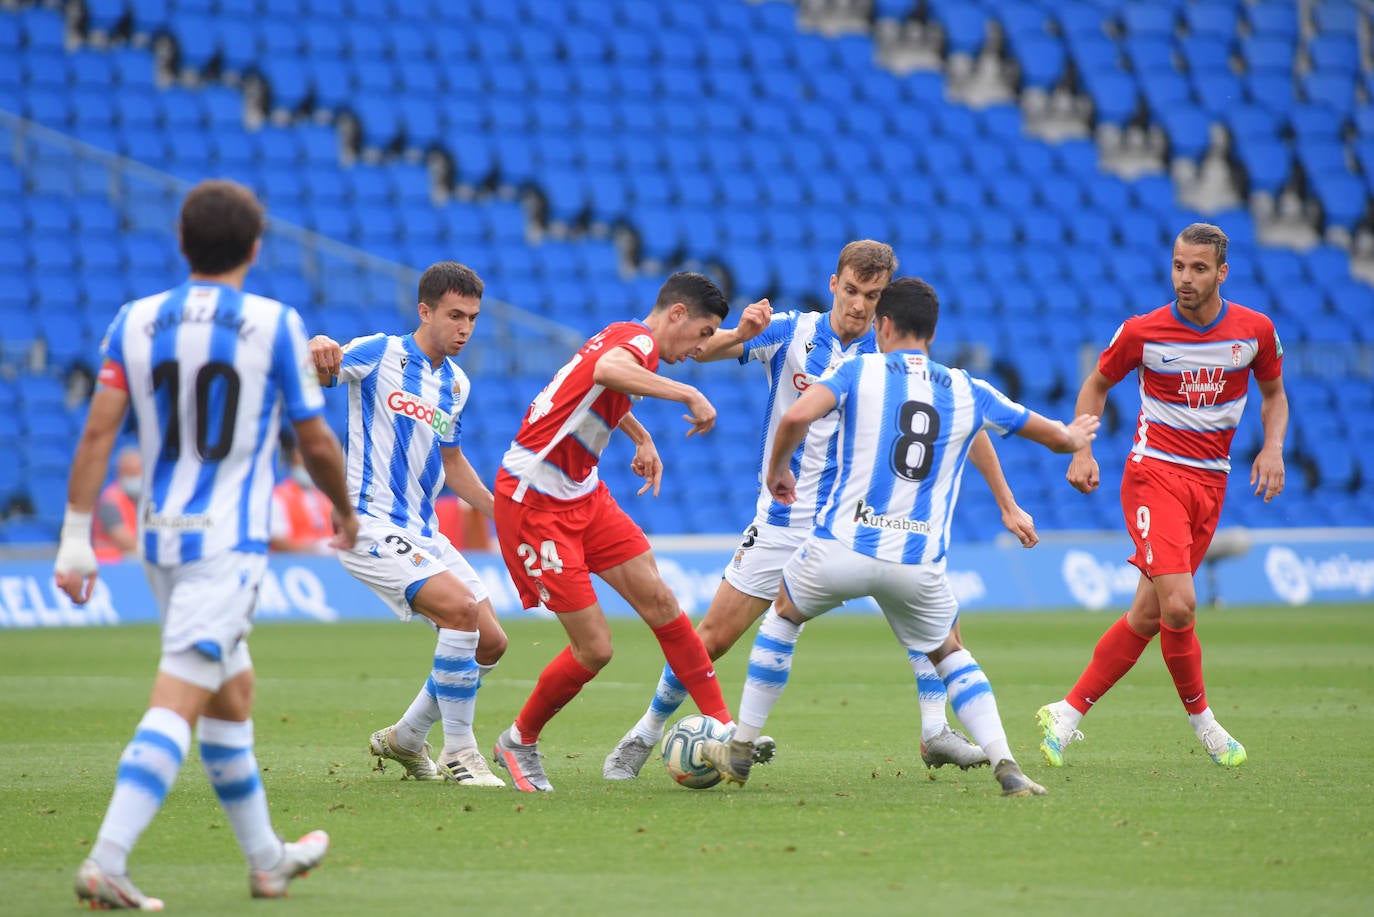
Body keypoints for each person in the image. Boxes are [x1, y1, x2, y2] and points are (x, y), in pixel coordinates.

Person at [603, 241, 1039, 780]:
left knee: (934, 620)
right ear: (834, 284)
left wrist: (1007, 504)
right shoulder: (792, 332)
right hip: (784, 519)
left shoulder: (891, 359)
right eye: (851, 290)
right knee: (712, 636)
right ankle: (644, 733)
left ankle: (935, 730)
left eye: (872, 297)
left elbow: (965, 421)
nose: (859, 305)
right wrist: (741, 333)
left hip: (856, 521)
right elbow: (699, 349)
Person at [54, 179, 359, 909]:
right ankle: (107, 858)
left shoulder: (134, 320)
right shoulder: (274, 323)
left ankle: (267, 861)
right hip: (226, 542)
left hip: (160, 538)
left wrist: (74, 536)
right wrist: (344, 510)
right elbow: (315, 440)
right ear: (255, 247)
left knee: (233, 691)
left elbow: (98, 432)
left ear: (181, 242)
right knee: (180, 696)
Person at [699, 277, 1100, 797]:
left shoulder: (858, 370)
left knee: (783, 616)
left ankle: (741, 747)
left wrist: (778, 469)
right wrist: (1076, 437)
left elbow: (796, 414)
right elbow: (1055, 437)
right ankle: (1008, 767)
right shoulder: (966, 387)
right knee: (951, 651)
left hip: (844, 544)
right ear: (932, 332)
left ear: (883, 325)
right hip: (916, 559)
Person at [1035, 223, 1288, 769]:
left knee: (1148, 615)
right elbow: (1097, 384)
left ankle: (1065, 712)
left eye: (1198, 268)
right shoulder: (1143, 331)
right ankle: (1206, 725)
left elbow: (1274, 394)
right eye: (1178, 266)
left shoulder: (1255, 331)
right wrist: (1081, 449)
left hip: (1211, 484)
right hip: (1155, 476)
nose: (1185, 278)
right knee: (1180, 604)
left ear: (1222, 272)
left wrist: (1272, 447)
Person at [490, 271, 739, 792]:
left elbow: (594, 383)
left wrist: (641, 435)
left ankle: (725, 730)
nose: (699, 348)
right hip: (535, 501)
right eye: (701, 333)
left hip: (582, 493)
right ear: (677, 314)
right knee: (595, 649)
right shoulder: (638, 343)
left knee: (662, 602)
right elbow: (607, 370)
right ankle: (518, 739)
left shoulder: (623, 335)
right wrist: (688, 394)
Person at [307, 261, 509, 787]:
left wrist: (504, 514)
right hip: (369, 524)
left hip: (423, 531)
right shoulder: (380, 352)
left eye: (473, 318)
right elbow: (318, 369)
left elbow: (452, 463)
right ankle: (460, 752)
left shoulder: (456, 383)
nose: (465, 328)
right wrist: (317, 346)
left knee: (490, 642)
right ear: (425, 311)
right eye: (455, 315)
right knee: (461, 612)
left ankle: (406, 737)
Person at [269, 433, 336, 554]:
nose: (308, 468)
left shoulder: (325, 498)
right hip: (291, 562)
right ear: (292, 463)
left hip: (328, 562)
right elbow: (278, 541)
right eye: (303, 463)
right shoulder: (278, 497)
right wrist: (316, 549)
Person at [91, 445, 141, 561]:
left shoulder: (142, 498)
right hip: (110, 563)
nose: (135, 477)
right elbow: (123, 539)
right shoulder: (110, 501)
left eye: (137, 472)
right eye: (130, 473)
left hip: (132, 561)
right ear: (120, 472)